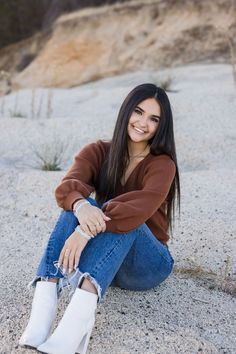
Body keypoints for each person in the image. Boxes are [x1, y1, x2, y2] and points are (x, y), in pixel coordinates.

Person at [19, 83, 180, 354]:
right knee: (78, 203)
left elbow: (138, 207)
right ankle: (42, 314)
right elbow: (68, 186)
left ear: (161, 126)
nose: (142, 123)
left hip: (147, 265)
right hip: (105, 262)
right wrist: (81, 206)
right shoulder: (98, 151)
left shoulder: (162, 164)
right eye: (138, 112)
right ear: (126, 111)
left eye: (154, 119)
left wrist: (84, 232)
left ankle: (73, 329)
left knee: (130, 216)